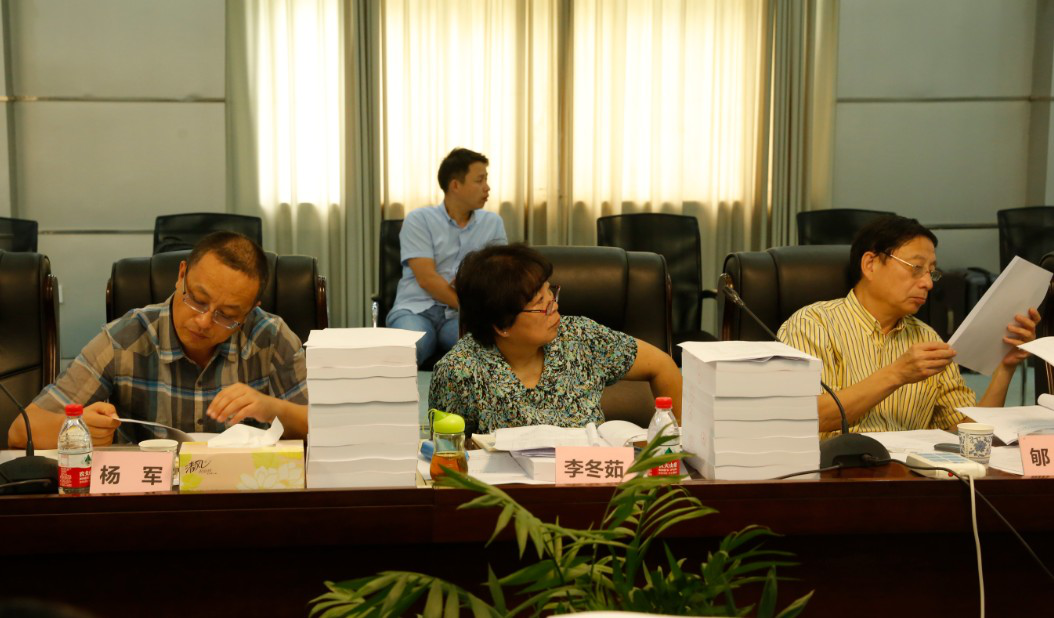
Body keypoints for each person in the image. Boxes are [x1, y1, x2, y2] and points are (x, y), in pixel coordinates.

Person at [7, 232, 308, 449]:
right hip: (148, 501)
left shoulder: (271, 338)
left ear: (251, 310)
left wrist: (272, 408)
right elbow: (21, 431)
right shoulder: (124, 339)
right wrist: (78, 428)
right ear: (181, 275)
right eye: (197, 300)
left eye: (227, 315)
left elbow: (323, 428)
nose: (204, 321)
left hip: (240, 497)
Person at [777, 215, 1039, 439]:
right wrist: (897, 374)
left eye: (931, 272)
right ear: (870, 264)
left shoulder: (926, 338)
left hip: (909, 475)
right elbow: (804, 416)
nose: (928, 283)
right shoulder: (813, 325)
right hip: (837, 474)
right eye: (916, 268)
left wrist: (1005, 368)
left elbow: (967, 432)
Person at [428, 244, 682, 433]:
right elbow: (448, 454)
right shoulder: (458, 372)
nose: (554, 306)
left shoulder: (581, 337)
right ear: (502, 325)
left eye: (550, 292)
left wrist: (677, 445)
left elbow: (662, 365)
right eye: (540, 303)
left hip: (588, 479)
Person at [387, 148, 507, 366]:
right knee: (409, 351)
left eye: (486, 179)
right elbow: (427, 279)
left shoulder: (492, 223)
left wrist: (473, 287)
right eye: (480, 180)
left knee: (486, 353)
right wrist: (469, 305)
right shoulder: (419, 220)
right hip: (416, 309)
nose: (487, 187)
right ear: (455, 185)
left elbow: (498, 276)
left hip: (459, 317)